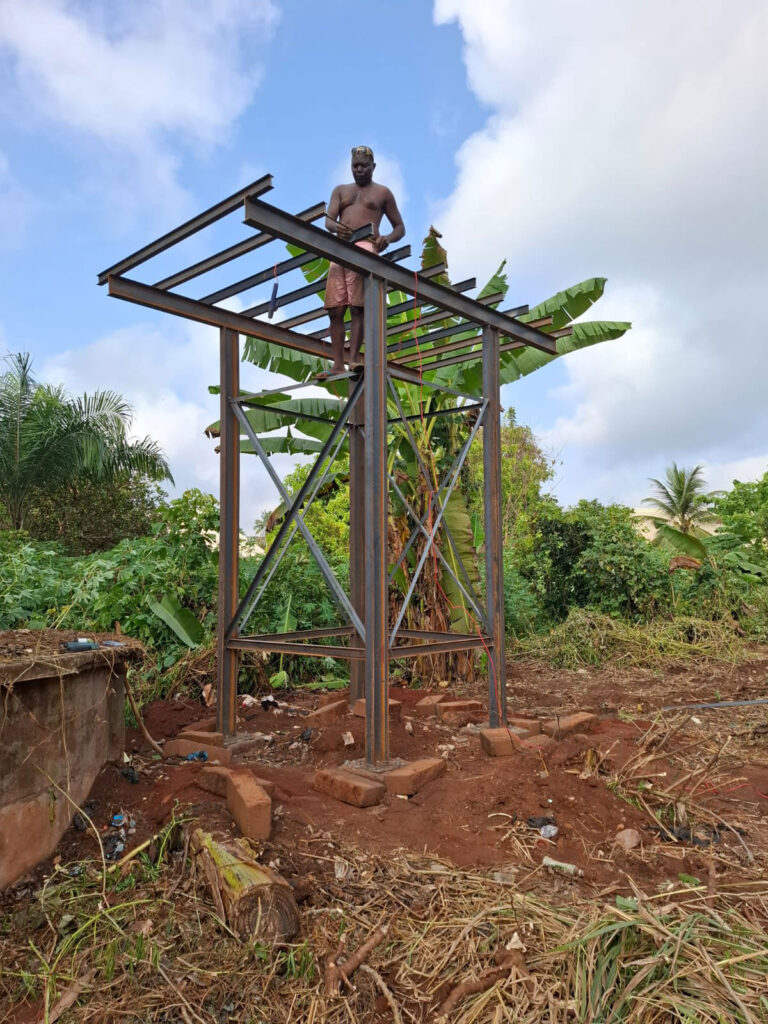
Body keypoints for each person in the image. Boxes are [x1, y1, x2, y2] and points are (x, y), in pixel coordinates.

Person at [321, 146, 405, 376]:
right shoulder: (341, 190)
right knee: (335, 309)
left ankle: (354, 360)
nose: (359, 170)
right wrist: (337, 227)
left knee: (357, 307)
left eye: (364, 166)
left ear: (373, 167)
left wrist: (387, 238)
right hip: (340, 249)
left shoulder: (383, 193)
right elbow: (328, 221)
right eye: (355, 166)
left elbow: (400, 227)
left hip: (365, 247)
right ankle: (338, 364)